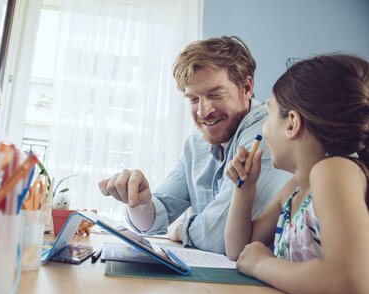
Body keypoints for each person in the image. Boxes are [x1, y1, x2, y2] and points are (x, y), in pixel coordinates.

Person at [98, 36, 291, 253]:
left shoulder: (264, 132)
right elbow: (155, 218)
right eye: (193, 99)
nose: (202, 111)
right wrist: (140, 202)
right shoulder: (197, 143)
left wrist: (182, 230)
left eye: (215, 94)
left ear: (246, 87)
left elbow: (218, 238)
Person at [224, 54, 369, 294]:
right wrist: (246, 190)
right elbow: (239, 251)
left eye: (268, 115)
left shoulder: (335, 170)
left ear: (291, 123)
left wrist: (262, 266)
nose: (265, 129)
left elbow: (351, 287)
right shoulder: (295, 189)